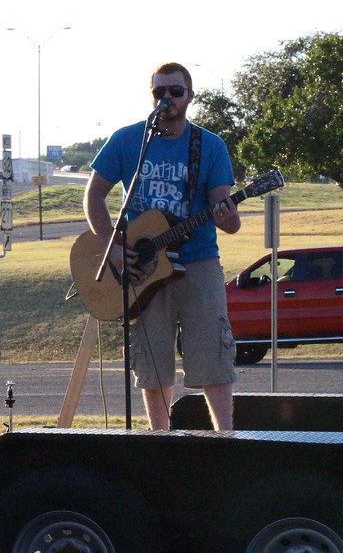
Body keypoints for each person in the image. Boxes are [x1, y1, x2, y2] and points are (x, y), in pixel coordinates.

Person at [83, 62, 241, 431]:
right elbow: (94, 196)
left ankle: (225, 439)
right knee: (152, 361)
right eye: (159, 92)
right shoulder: (127, 140)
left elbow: (230, 221)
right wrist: (113, 247)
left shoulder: (210, 145)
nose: (167, 98)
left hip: (199, 262)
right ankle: (160, 439)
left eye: (175, 91)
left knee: (213, 357)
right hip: (143, 268)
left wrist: (227, 215)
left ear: (190, 95)